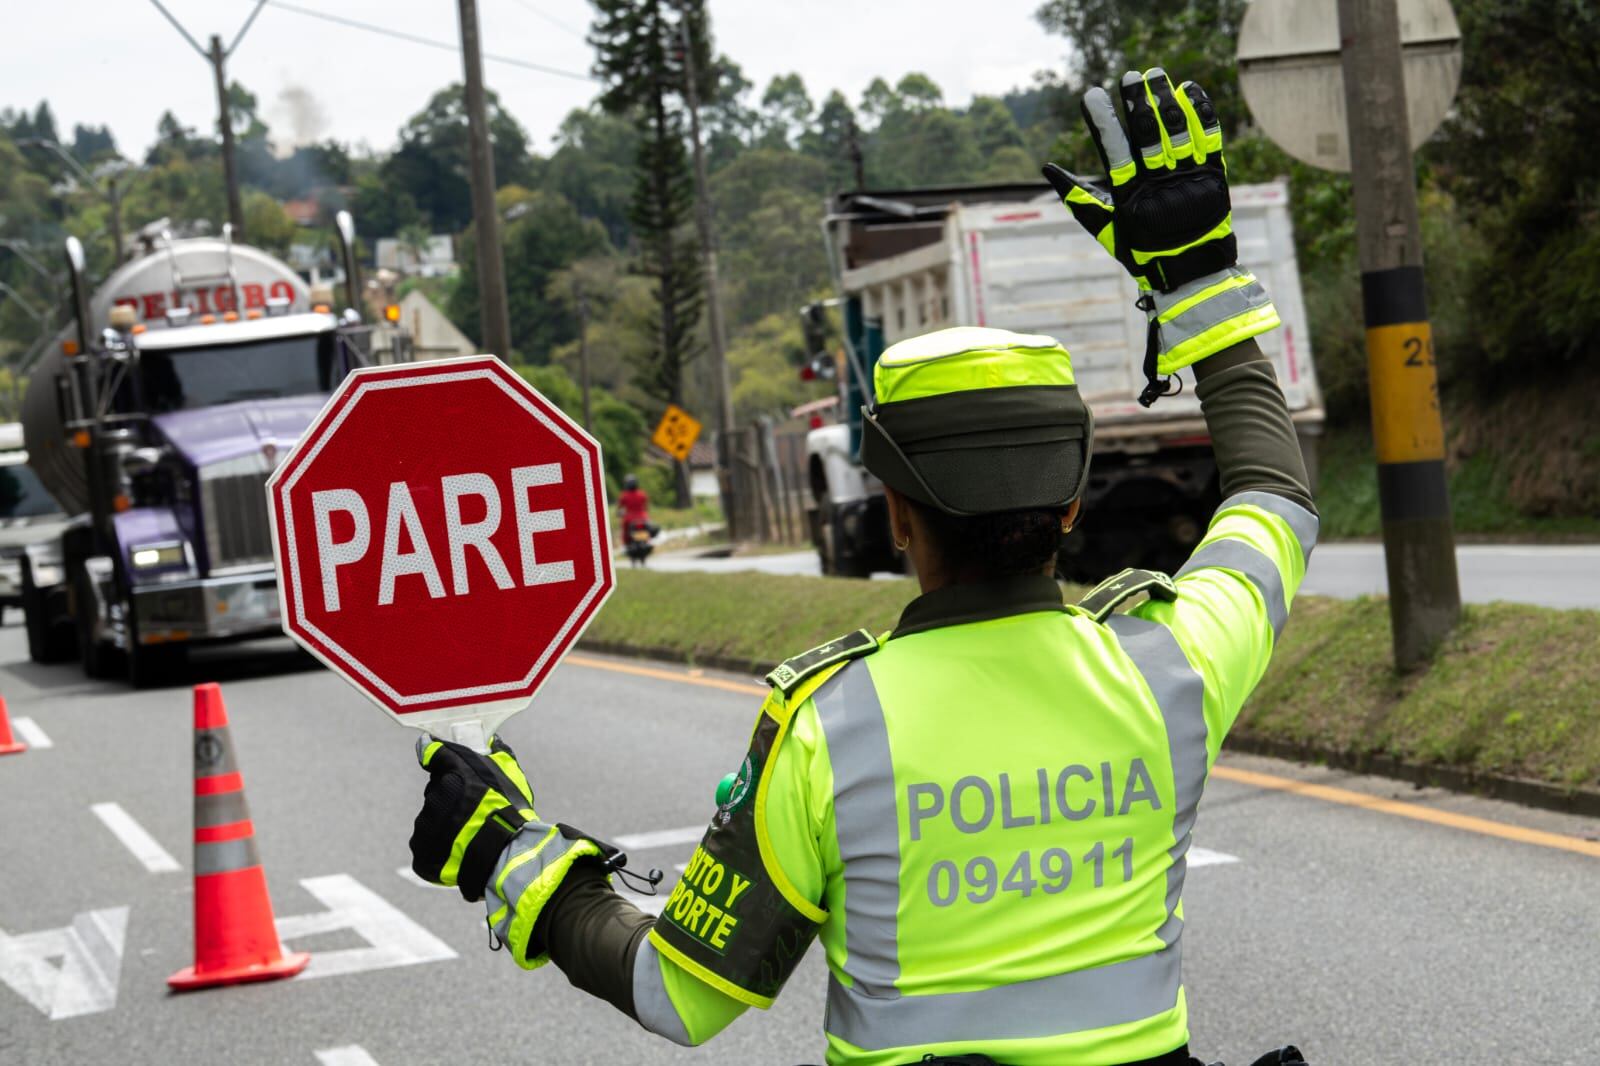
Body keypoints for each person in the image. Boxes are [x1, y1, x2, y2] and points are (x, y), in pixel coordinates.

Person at [408, 69, 1315, 1066]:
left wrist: (510, 858)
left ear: (893, 512)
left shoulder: (829, 732)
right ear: (1068, 504)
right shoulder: (1169, 671)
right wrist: (1197, 285)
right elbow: (1273, 501)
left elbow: (678, 993)